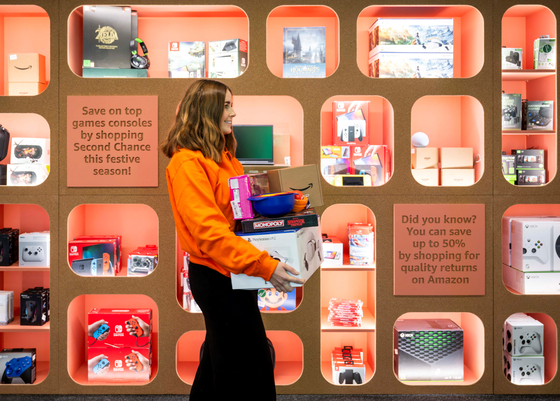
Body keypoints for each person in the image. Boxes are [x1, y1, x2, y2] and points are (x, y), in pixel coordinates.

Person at [161, 79, 304, 400]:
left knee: (219, 363)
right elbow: (209, 233)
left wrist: (289, 204)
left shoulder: (222, 157)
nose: (233, 113)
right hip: (216, 277)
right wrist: (265, 266)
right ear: (206, 111)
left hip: (233, 273)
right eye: (226, 106)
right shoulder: (187, 163)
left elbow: (240, 207)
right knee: (247, 372)